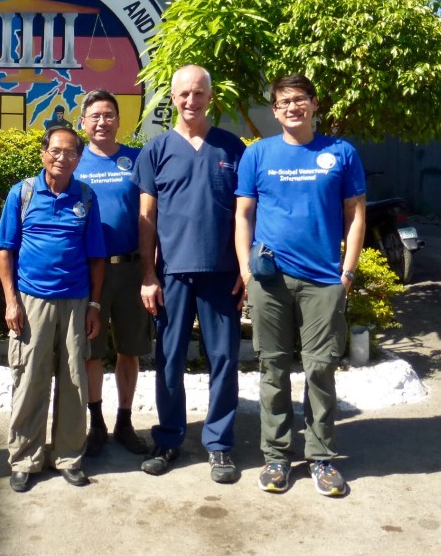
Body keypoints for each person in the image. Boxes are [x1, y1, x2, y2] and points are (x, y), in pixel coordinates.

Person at [235, 74, 366, 497]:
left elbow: (356, 214)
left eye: (300, 100)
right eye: (284, 101)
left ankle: (321, 458)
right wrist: (246, 271)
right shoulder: (257, 155)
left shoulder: (340, 153)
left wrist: (347, 272)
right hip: (270, 280)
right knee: (272, 368)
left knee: (320, 369)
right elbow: (243, 216)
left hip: (325, 280)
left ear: (313, 104)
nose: (292, 107)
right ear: (275, 111)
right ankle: (276, 457)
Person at [132, 64, 245, 484]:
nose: (191, 101)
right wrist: (148, 273)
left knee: (224, 360)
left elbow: (247, 215)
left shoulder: (232, 149)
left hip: (222, 274)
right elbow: (146, 216)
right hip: (171, 274)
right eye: (183, 94)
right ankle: (168, 439)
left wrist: (245, 268)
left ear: (210, 97)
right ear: (173, 98)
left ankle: (220, 445)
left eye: (198, 93)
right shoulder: (156, 150)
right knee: (169, 361)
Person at [0, 125, 106, 493]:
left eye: (71, 152)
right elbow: (4, 250)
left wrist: (93, 304)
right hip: (31, 301)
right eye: (56, 151)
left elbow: (96, 258)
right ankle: (25, 458)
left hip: (75, 301)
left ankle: (69, 456)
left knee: (75, 379)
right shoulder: (22, 193)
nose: (62, 158)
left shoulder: (86, 197)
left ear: (79, 158)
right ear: (43, 153)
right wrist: (10, 301)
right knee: (29, 380)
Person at [75, 90, 152, 457]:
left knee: (129, 349)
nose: (102, 122)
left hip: (131, 268)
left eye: (109, 115)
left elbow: (151, 215)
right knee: (91, 351)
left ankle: (124, 420)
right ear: (83, 123)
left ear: (120, 121)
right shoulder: (74, 162)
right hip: (90, 272)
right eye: (95, 116)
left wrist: (153, 270)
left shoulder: (137, 160)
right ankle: (96, 422)